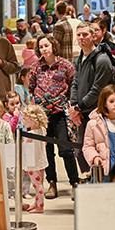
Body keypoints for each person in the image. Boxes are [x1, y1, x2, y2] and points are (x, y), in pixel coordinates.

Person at [29, 35, 79, 199]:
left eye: (46, 45)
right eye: (41, 46)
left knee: (66, 149)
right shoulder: (36, 67)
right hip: (43, 115)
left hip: (60, 113)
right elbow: (32, 86)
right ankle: (52, 183)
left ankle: (74, 183)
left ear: (53, 46)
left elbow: (73, 85)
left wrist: (65, 102)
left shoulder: (65, 65)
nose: (44, 49)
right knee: (47, 151)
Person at [69, 22, 115, 177]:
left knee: (101, 151)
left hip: (97, 112)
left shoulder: (102, 59)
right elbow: (75, 82)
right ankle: (89, 178)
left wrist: (79, 107)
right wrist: (74, 105)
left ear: (93, 36)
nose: (81, 38)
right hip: (82, 112)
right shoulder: (79, 58)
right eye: (79, 34)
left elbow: (98, 89)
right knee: (82, 149)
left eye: (85, 34)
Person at [22, 104, 49, 213]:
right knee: (39, 184)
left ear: (32, 120)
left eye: (25, 118)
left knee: (38, 186)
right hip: (41, 161)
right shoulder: (42, 130)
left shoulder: (30, 135)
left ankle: (40, 207)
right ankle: (37, 203)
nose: (23, 121)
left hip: (33, 164)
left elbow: (24, 149)